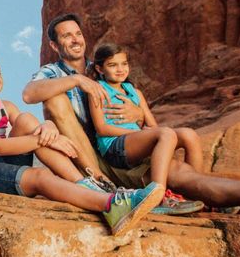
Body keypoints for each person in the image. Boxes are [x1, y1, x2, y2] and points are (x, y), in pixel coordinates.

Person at [22, 13, 240, 220]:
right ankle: (100, 184)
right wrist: (77, 80)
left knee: (189, 177)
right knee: (55, 101)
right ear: (54, 44)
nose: (74, 39)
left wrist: (137, 112)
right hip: (92, 157)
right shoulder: (54, 71)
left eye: (77, 33)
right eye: (66, 36)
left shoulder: (103, 67)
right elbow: (29, 95)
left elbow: (134, 110)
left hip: (126, 152)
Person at [0, 56, 164, 235]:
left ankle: (83, 184)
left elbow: (30, 127)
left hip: (5, 163)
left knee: (27, 120)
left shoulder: (5, 106)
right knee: (42, 176)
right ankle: (110, 205)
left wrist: (48, 125)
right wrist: (50, 138)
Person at [88, 43, 205, 214]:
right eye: (112, 65)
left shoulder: (134, 92)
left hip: (135, 142)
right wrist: (138, 133)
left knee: (189, 134)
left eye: (124, 63)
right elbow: (102, 128)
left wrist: (144, 129)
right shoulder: (97, 90)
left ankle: (195, 194)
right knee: (165, 134)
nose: (120, 69)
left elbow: (152, 125)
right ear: (99, 68)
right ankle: (156, 198)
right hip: (114, 146)